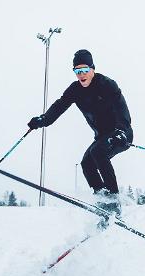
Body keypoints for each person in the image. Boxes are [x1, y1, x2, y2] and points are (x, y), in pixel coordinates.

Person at [28, 49, 133, 218]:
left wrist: (122, 131)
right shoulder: (75, 90)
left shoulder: (106, 84)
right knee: (87, 164)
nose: (81, 75)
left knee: (97, 152)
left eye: (85, 70)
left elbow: (122, 108)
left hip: (120, 133)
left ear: (93, 69)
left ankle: (114, 201)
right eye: (77, 71)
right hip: (101, 136)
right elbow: (60, 105)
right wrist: (44, 119)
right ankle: (102, 200)